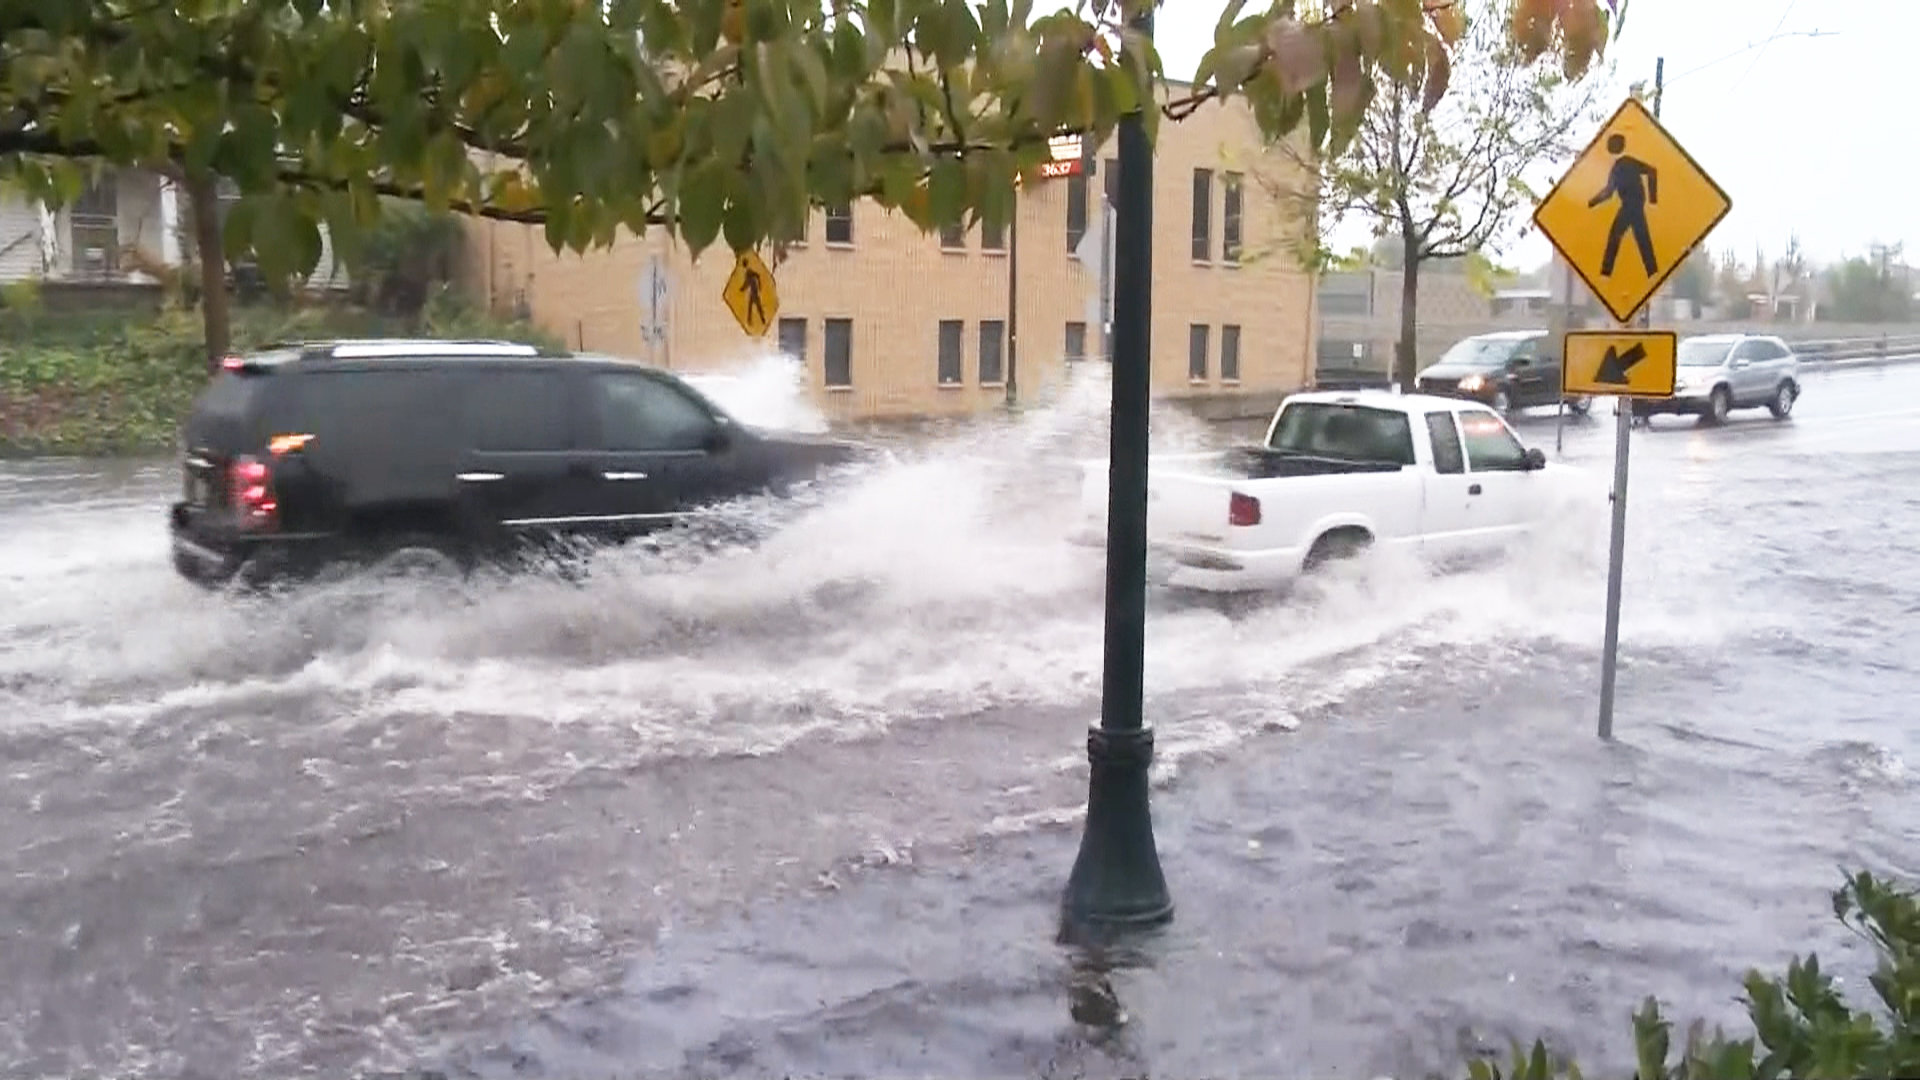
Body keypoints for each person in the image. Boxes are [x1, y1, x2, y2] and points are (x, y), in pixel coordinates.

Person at [1589, 133, 1659, 278]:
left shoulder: (1620, 166)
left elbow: (1608, 192)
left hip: (1630, 207)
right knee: (1641, 239)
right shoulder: (1626, 164)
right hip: (1634, 206)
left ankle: (1606, 273)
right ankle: (1652, 272)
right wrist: (1651, 200)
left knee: (1617, 236)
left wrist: (1592, 202)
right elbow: (1652, 172)